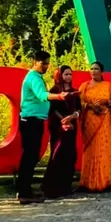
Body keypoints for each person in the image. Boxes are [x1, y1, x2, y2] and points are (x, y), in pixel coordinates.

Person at [16, 50, 71, 203]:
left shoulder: (37, 77)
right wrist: (59, 96)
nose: (46, 66)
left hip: (35, 120)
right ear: (35, 62)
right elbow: (42, 95)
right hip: (31, 121)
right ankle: (24, 193)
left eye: (47, 63)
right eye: (43, 63)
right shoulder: (34, 77)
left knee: (31, 156)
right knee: (30, 157)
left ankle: (24, 189)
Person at [42, 65, 81, 199]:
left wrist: (73, 117)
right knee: (57, 154)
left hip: (71, 127)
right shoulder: (54, 91)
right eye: (66, 74)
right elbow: (52, 109)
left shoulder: (75, 92)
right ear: (60, 75)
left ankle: (66, 186)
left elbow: (79, 109)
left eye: (70, 74)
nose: (68, 77)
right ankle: (52, 186)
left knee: (70, 155)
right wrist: (63, 120)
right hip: (58, 127)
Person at [78, 62, 111, 192]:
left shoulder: (108, 86)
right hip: (89, 122)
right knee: (89, 150)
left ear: (102, 71)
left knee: (102, 149)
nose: (93, 71)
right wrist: (89, 106)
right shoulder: (84, 86)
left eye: (96, 69)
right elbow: (79, 104)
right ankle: (86, 182)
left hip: (103, 121)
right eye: (92, 69)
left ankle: (103, 182)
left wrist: (109, 103)